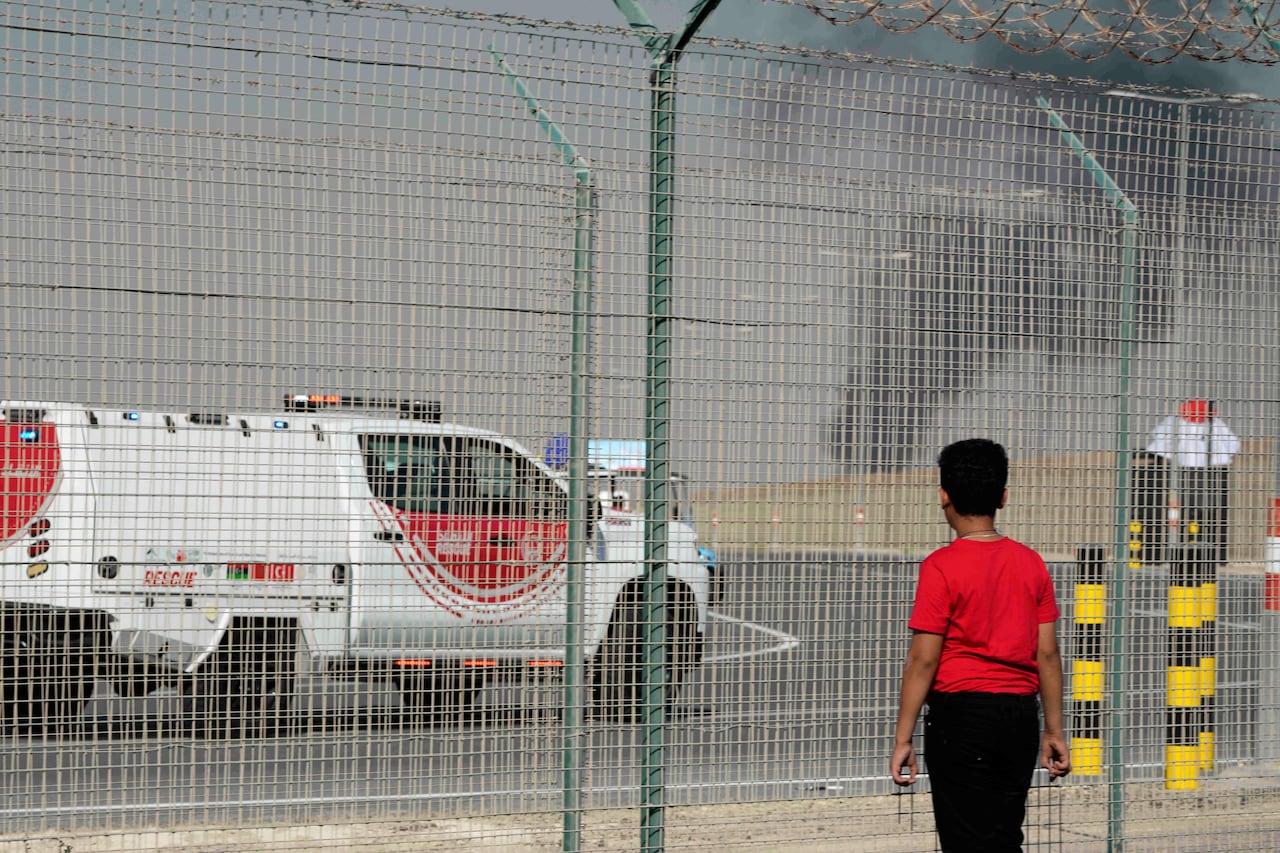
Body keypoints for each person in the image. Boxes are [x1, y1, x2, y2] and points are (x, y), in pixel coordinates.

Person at [889, 438, 1070, 852]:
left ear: (943, 496)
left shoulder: (940, 567)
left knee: (964, 838)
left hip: (960, 717)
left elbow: (923, 659)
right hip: (1019, 715)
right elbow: (1047, 654)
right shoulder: (1031, 563)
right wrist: (1054, 729)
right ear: (1003, 497)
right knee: (1005, 834)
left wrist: (903, 738)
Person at [1146, 400, 1240, 564]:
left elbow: (1159, 444)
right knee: (1183, 515)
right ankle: (1183, 554)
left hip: (1204, 474)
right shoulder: (1180, 423)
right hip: (1192, 473)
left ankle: (1206, 556)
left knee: (1207, 515)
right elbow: (1232, 446)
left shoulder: (1214, 425)